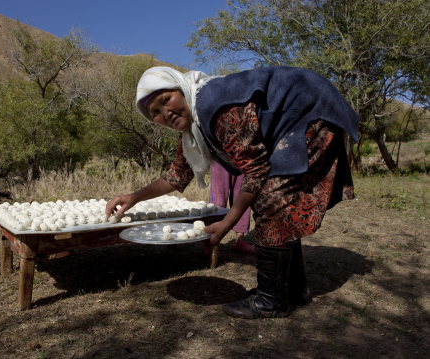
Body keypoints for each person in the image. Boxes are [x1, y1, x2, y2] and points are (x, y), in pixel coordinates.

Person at [105, 65, 358, 319]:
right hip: (303, 113)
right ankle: (292, 290)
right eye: (156, 113)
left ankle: (272, 299)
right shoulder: (194, 128)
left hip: (309, 110)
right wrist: (133, 197)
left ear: (181, 89)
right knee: (277, 202)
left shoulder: (212, 105)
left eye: (166, 100)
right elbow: (177, 175)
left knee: (271, 199)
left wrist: (227, 222)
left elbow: (256, 170)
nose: (166, 113)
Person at [209, 161, 254, 254]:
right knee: (218, 199)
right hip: (219, 156)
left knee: (242, 196)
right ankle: (212, 243)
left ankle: (240, 240)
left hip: (242, 155)